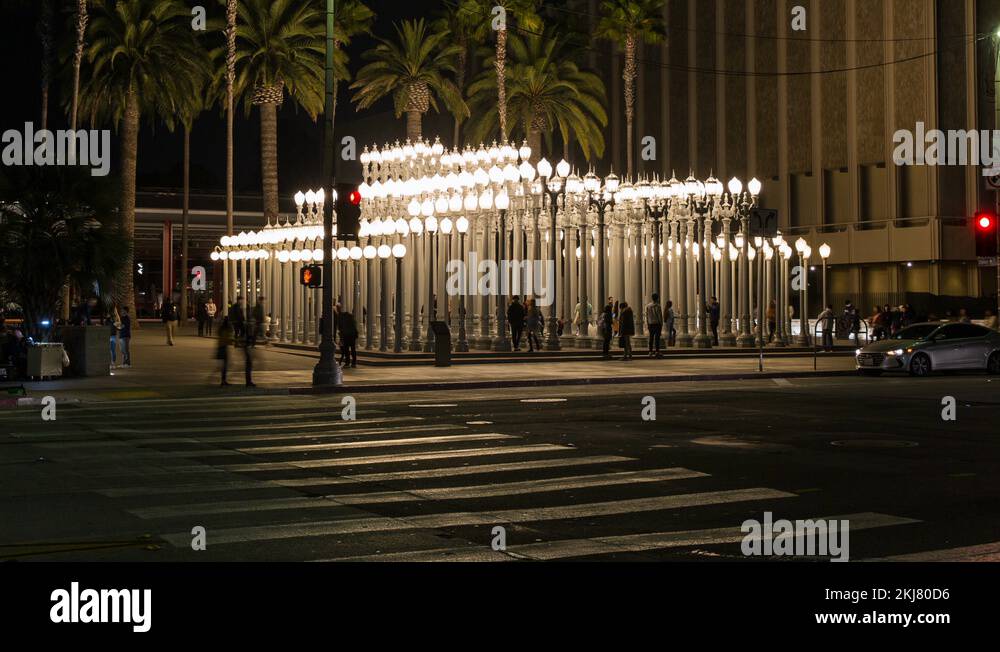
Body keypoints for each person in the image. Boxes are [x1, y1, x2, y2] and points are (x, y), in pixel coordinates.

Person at [645, 293, 664, 357]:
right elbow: (659, 316)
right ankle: (657, 351)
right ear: (657, 298)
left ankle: (650, 351)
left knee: (651, 337)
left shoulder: (648, 306)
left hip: (650, 323)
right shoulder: (658, 306)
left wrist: (647, 323)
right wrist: (661, 323)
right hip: (657, 324)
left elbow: (647, 315)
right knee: (657, 338)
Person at [217, 316, 233, 386]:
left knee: (224, 365)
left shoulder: (221, 328)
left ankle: (223, 380)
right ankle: (223, 381)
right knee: (225, 365)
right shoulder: (226, 329)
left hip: (220, 347)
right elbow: (227, 339)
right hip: (223, 347)